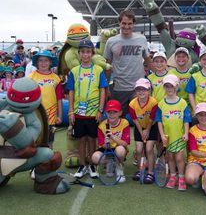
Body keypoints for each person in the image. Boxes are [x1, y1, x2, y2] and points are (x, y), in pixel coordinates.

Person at [66, 39, 108, 179]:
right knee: (81, 139)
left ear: (92, 53)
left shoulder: (98, 70)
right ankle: (82, 165)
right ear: (79, 54)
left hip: (93, 112)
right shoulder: (74, 71)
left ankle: (91, 165)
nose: (85, 55)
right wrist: (71, 111)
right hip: (78, 112)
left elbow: (103, 90)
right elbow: (70, 91)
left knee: (92, 139)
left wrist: (100, 110)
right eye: (83, 52)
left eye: (88, 52)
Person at [103, 9, 151, 116]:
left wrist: (148, 70)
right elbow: (107, 65)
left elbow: (147, 58)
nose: (126, 26)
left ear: (134, 24)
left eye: (130, 24)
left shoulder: (141, 39)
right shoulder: (111, 41)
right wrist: (106, 87)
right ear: (119, 23)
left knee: (141, 118)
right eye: (124, 23)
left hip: (139, 87)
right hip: (120, 87)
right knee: (119, 119)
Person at [156, 74, 191, 190]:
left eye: (171, 86)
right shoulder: (161, 104)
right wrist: (162, 135)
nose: (169, 89)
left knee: (180, 158)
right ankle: (173, 176)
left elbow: (186, 120)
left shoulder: (182, 103)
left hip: (179, 137)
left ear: (176, 87)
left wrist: (186, 133)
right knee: (170, 157)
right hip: (167, 137)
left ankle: (181, 177)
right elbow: (159, 121)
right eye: (166, 86)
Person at [29, 50, 63, 148]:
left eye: (46, 60)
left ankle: (48, 162)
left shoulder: (56, 78)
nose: (43, 63)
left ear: (50, 62)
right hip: (35, 116)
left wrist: (60, 116)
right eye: (40, 60)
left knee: (49, 142)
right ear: (37, 62)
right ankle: (37, 163)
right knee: (35, 142)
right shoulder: (31, 77)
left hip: (51, 117)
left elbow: (59, 98)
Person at [92, 99, 130, 183]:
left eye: (115, 112)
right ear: (106, 113)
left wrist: (112, 137)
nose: (112, 115)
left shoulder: (125, 123)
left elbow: (125, 143)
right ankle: (110, 163)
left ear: (120, 113)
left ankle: (119, 167)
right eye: (109, 112)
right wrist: (106, 142)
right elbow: (102, 145)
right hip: (107, 149)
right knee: (95, 157)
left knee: (120, 150)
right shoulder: (102, 125)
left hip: (118, 147)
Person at [129, 78, 158, 184]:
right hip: (139, 127)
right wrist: (141, 132)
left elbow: (152, 118)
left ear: (149, 91)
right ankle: (140, 170)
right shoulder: (132, 104)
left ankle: (150, 172)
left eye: (144, 89)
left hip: (151, 126)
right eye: (138, 89)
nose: (141, 92)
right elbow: (135, 120)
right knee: (139, 149)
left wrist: (148, 130)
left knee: (149, 149)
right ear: (135, 91)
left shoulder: (153, 102)